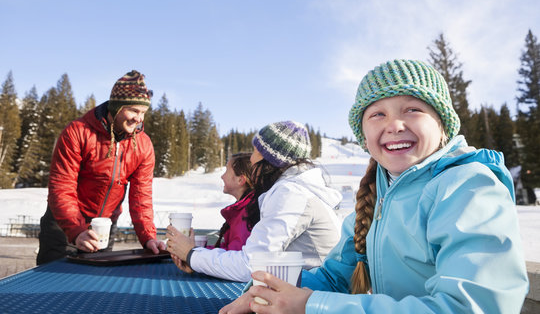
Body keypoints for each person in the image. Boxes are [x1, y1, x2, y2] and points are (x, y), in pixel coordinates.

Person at [219, 59, 529, 314]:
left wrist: (314, 305)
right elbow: (334, 277)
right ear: (364, 136)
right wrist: (269, 290)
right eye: (377, 114)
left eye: (412, 109)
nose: (393, 124)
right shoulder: (375, 199)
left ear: (442, 125)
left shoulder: (468, 187)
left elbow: (474, 306)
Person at [166, 120, 343, 282]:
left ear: (271, 159)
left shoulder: (291, 194)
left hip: (315, 297)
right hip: (314, 292)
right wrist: (195, 258)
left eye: (256, 152)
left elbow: (251, 265)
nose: (251, 159)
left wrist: (191, 254)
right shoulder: (298, 190)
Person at [37, 70, 166, 265]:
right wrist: (76, 230)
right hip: (63, 224)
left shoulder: (144, 145)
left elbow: (141, 196)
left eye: (143, 113)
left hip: (104, 227)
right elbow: (61, 187)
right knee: (51, 287)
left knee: (94, 288)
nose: (139, 119)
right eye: (133, 111)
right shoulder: (77, 132)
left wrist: (148, 237)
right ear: (115, 107)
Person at [212, 152, 255, 250]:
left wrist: (194, 254)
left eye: (227, 170)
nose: (222, 176)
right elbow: (227, 250)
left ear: (240, 180)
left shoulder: (248, 214)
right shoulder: (242, 209)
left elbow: (235, 256)